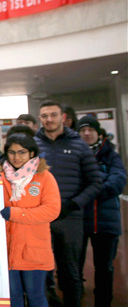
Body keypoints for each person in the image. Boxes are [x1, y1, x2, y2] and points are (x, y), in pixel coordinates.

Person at [34, 100, 102, 307]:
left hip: (69, 218)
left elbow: (95, 182)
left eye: (53, 115)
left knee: (70, 272)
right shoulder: (32, 145)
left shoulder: (79, 145)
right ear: (40, 118)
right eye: (44, 116)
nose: (49, 119)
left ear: (62, 117)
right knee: (39, 272)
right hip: (39, 218)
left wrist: (73, 204)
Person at [0, 133, 60, 307]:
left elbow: (51, 211)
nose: (17, 157)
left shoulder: (44, 177)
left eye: (22, 152)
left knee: (36, 296)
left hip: (33, 249)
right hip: (6, 249)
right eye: (12, 152)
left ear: (31, 153)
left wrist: (16, 214)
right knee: (12, 298)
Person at [77, 116, 126, 307]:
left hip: (106, 222)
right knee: (74, 265)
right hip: (79, 220)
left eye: (91, 130)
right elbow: (72, 182)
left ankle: (104, 301)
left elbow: (118, 181)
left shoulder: (111, 155)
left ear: (99, 133)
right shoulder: (74, 155)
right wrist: (100, 180)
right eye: (83, 130)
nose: (87, 133)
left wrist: (91, 188)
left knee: (104, 267)